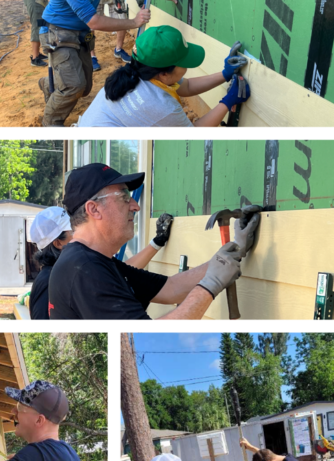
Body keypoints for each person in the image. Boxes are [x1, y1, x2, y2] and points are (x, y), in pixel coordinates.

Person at [46, 163, 260, 320]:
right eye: (123, 197)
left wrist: (234, 252)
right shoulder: (85, 270)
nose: (135, 206)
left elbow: (172, 287)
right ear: (93, 209)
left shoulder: (97, 262)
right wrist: (211, 284)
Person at [79, 25, 250, 127]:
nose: (187, 66)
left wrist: (225, 74)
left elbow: (187, 86)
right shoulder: (161, 106)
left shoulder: (139, 73)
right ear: (164, 73)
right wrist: (228, 101)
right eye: (184, 63)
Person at [29, 206, 174, 319]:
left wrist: (156, 243)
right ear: (58, 243)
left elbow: (117, 274)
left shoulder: (78, 266)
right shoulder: (51, 279)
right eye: (73, 230)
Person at [38, 0, 150, 126]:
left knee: (85, 88)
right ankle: (50, 122)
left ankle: (48, 83)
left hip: (79, 33)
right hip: (57, 32)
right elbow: (94, 21)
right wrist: (134, 22)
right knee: (74, 86)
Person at [25, 0, 48, 66]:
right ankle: (35, 58)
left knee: (40, 25)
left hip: (39, 2)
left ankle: (37, 54)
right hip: (36, 2)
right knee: (37, 26)